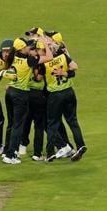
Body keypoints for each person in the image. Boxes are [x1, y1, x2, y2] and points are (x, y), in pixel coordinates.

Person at [1, 37, 53, 164]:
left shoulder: (12, 57)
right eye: (26, 47)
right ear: (22, 49)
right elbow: (49, 57)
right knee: (18, 126)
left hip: (10, 92)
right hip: (20, 94)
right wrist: (46, 45)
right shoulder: (28, 60)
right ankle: (10, 154)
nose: (28, 48)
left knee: (13, 124)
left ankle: (8, 151)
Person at [43, 32, 87, 162]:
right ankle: (81, 145)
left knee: (52, 124)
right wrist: (64, 73)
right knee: (73, 121)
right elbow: (75, 67)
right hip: (69, 92)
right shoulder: (63, 56)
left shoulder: (45, 62)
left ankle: (50, 152)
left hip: (55, 95)